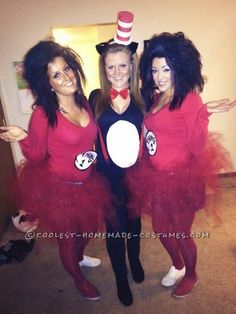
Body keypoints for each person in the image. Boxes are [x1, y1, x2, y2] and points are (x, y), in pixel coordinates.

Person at [0, 40, 113, 300]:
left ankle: (80, 257)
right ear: (47, 83)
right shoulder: (43, 114)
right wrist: (22, 136)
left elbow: (91, 140)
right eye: (56, 75)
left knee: (89, 229)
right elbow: (36, 155)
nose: (66, 77)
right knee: (68, 239)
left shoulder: (84, 102)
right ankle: (78, 278)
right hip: (60, 188)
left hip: (88, 183)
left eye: (67, 69)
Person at [126, 31, 233, 299]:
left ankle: (192, 275)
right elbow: (151, 132)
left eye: (166, 69)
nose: (160, 75)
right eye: (155, 69)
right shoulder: (156, 95)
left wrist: (204, 114)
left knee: (181, 233)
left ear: (179, 68)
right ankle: (178, 265)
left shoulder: (190, 100)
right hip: (156, 176)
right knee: (161, 229)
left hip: (181, 178)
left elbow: (197, 147)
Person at [89, 11, 145, 307]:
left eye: (122, 65)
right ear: (104, 68)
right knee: (115, 229)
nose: (117, 71)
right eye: (111, 66)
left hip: (137, 176)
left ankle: (134, 260)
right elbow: (79, 130)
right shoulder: (95, 97)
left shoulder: (143, 96)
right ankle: (121, 279)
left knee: (134, 224)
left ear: (131, 65)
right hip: (107, 177)